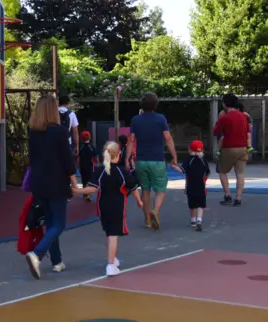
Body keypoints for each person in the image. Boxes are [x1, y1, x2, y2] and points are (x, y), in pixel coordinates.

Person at [25, 94, 78, 280]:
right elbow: (67, 159)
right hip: (56, 182)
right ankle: (37, 254)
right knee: (59, 223)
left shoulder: (32, 131)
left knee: (50, 222)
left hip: (39, 182)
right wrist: (74, 181)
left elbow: (32, 159)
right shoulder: (60, 131)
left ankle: (57, 262)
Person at [72, 141, 144, 276]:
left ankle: (113, 258)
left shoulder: (99, 171)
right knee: (113, 235)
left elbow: (93, 188)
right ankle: (110, 266)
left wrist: (78, 191)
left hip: (103, 206)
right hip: (117, 206)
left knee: (109, 233)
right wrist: (139, 201)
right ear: (118, 154)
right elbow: (133, 188)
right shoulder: (121, 172)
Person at [126, 93, 177, 230]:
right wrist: (174, 156)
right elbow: (168, 138)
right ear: (156, 104)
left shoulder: (135, 120)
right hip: (157, 160)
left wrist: (127, 158)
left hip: (141, 160)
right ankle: (155, 210)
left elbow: (131, 140)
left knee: (145, 190)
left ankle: (147, 219)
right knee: (160, 189)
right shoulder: (161, 119)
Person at [213, 93, 250, 206]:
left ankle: (227, 195)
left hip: (229, 147)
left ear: (224, 104)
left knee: (222, 171)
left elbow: (216, 132)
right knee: (240, 173)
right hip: (243, 148)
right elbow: (248, 131)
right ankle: (238, 198)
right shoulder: (244, 116)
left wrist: (219, 121)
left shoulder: (224, 117)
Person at [171, 140, 210, 232]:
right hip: (201, 186)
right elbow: (207, 172)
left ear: (190, 150)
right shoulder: (203, 161)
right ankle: (199, 220)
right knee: (200, 205)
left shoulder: (189, 160)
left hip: (190, 186)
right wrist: (204, 180)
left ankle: (193, 220)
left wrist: (173, 166)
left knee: (192, 205)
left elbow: (182, 170)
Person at [78, 131, 98, 202]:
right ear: (90, 137)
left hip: (83, 166)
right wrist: (97, 163)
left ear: (81, 138)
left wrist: (77, 165)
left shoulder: (81, 146)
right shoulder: (91, 146)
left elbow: (78, 157)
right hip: (90, 166)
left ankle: (84, 195)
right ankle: (88, 195)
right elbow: (96, 157)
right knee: (89, 180)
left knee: (84, 180)